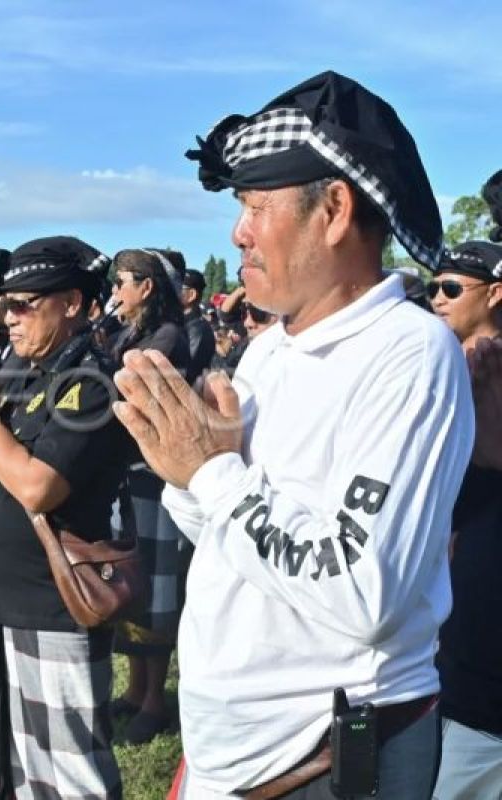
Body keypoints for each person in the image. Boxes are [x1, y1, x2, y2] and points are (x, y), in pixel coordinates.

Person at [114, 71, 472, 799]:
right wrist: (185, 466)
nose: (237, 231)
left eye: (254, 205)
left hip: (326, 764)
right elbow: (222, 527)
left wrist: (210, 474)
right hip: (232, 762)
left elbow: (361, 592)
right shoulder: (274, 347)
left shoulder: (407, 353)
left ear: (335, 208)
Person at [0, 236, 129, 799]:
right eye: (5, 307)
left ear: (72, 303)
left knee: (70, 779)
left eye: (24, 305)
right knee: (22, 774)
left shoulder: (89, 380)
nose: (9, 320)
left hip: (53, 607)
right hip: (6, 604)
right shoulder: (28, 370)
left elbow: (36, 487)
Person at [105, 247, 191, 745]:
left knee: (156, 590)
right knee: (135, 584)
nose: (116, 293)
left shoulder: (167, 337)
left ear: (147, 287)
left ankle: (156, 698)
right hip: (131, 474)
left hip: (157, 477)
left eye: (123, 283)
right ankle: (137, 689)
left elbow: (126, 386)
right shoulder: (133, 333)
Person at [428, 240, 502, 799]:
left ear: (494, 293)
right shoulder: (433, 367)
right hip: (449, 654)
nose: (436, 298)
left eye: (451, 288)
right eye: (432, 287)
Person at [180, 268, 217, 384]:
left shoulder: (198, 330)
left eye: (177, 288)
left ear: (191, 295)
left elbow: (188, 372)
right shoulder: (181, 323)